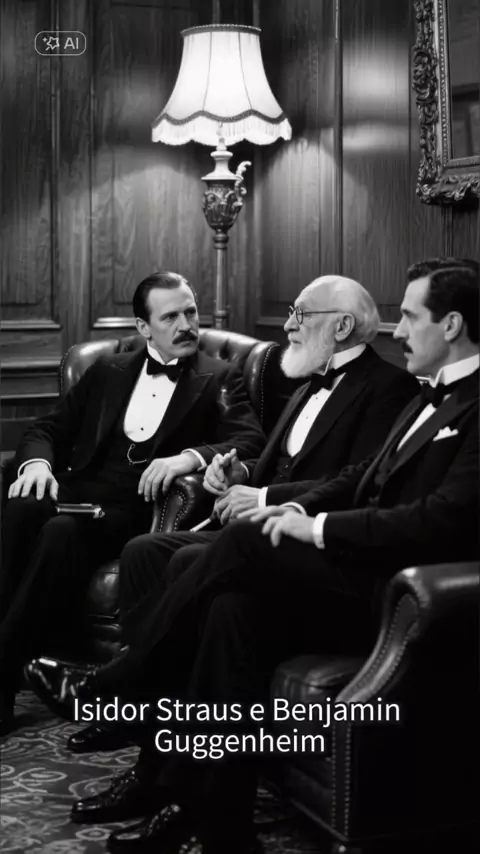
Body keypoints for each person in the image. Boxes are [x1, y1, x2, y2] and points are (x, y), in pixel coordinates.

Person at [27, 257, 479, 854]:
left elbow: (441, 520)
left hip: (395, 592)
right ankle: (207, 815)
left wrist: (312, 526)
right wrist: (277, 503)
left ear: (451, 325)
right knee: (226, 609)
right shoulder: (428, 394)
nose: (400, 331)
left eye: (412, 317)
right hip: (347, 562)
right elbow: (359, 477)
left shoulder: (456, 400)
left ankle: (116, 685)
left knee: (229, 548)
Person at [57, 273, 419, 752]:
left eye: (300, 314)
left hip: (301, 537)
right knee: (144, 551)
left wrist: (266, 498)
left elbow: (356, 480)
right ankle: (143, 714)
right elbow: (274, 459)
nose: (288, 326)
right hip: (255, 525)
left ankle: (123, 689)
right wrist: (238, 475)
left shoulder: (389, 387)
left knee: (187, 562)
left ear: (342, 325)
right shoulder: (306, 381)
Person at [0, 271, 264, 735]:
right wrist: (37, 466)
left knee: (61, 532)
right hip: (77, 493)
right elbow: (46, 428)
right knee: (24, 504)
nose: (186, 325)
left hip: (137, 511)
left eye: (191, 312)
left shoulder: (219, 377)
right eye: (170, 317)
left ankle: (2, 677)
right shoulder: (109, 370)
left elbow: (249, 440)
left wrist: (189, 457)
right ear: (143, 327)